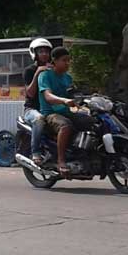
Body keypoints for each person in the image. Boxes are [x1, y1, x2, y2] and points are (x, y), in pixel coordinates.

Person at [38, 46, 93, 174]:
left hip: (67, 112)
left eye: (69, 60)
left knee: (92, 122)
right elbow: (48, 96)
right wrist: (63, 100)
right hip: (50, 113)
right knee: (65, 126)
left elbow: (73, 95)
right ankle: (61, 160)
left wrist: (84, 103)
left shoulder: (67, 78)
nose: (67, 63)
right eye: (64, 60)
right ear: (55, 61)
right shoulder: (45, 75)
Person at [23, 37, 52, 164]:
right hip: (32, 110)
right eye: (41, 51)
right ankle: (36, 152)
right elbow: (29, 93)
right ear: (34, 53)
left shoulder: (53, 70)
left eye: (46, 51)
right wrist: (37, 73)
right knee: (39, 119)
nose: (44, 54)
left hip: (50, 108)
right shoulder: (30, 70)